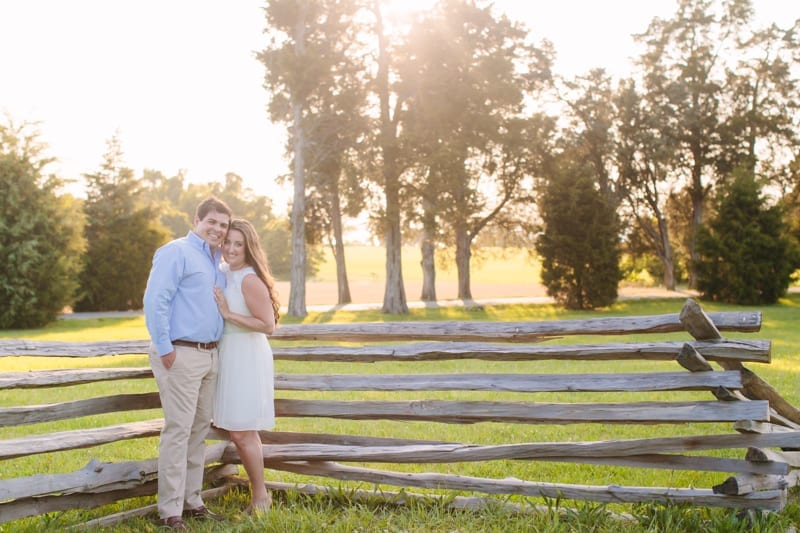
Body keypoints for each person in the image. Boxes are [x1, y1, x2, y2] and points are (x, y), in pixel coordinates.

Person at [143, 196, 232, 530]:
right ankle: (170, 512)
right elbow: (155, 300)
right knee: (178, 432)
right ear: (197, 220)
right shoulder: (176, 251)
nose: (217, 229)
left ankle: (193, 501)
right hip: (180, 353)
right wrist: (165, 347)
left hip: (210, 355)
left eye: (223, 225)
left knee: (197, 432)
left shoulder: (216, 261)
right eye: (212, 221)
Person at [212, 218, 280, 515]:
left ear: (248, 247)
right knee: (235, 429)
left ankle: (260, 496)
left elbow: (268, 325)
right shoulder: (223, 272)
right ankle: (258, 495)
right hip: (228, 353)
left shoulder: (249, 279)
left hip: (247, 355)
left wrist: (228, 313)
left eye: (238, 244)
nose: (231, 248)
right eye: (227, 242)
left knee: (242, 431)